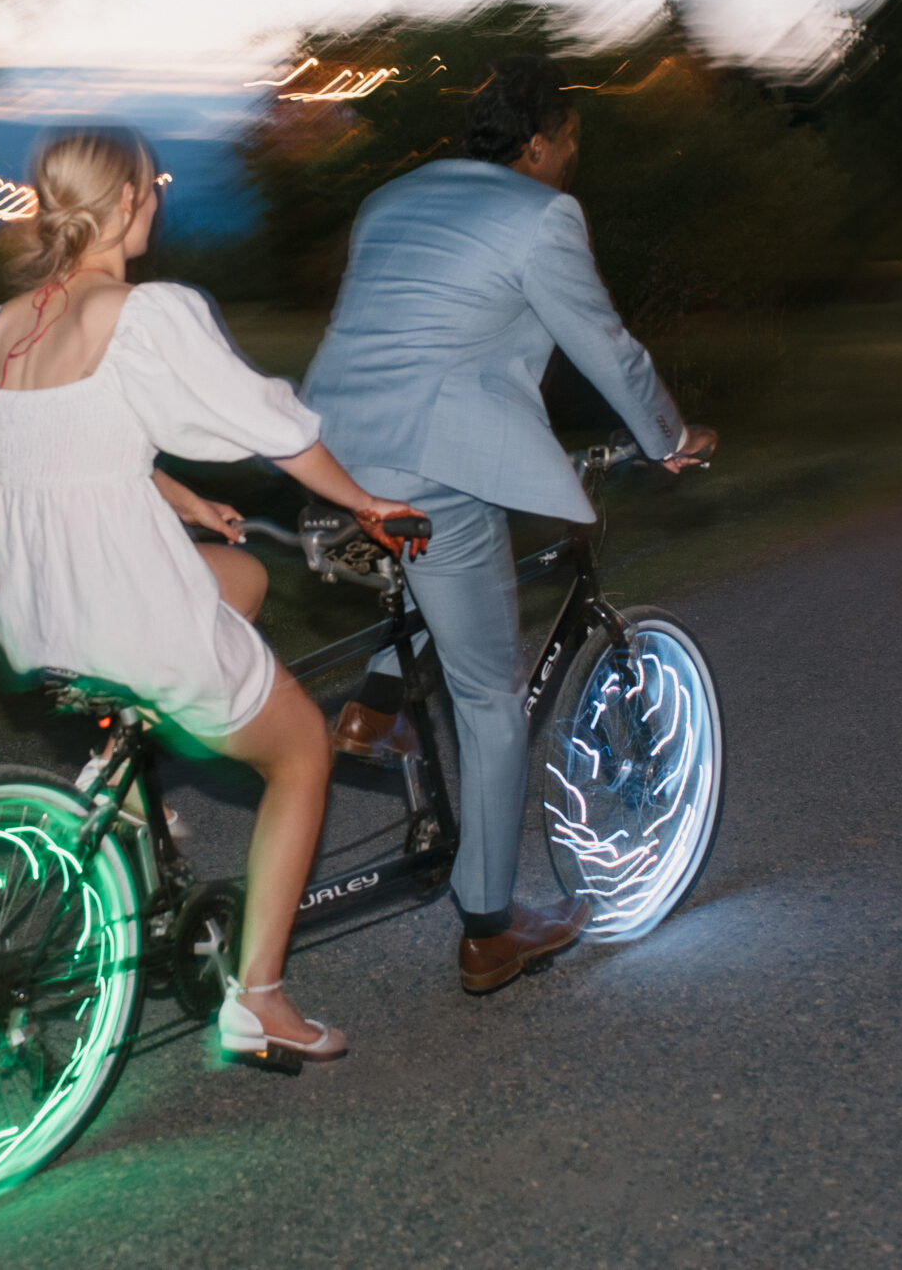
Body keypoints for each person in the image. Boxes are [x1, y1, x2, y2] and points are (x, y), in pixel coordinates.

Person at [0, 128, 428, 1064]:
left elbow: (65, 448)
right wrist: (362, 500)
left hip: (38, 610)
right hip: (124, 607)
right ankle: (260, 997)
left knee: (247, 578)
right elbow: (266, 423)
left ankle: (126, 772)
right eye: (153, 186)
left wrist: (185, 499)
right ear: (132, 198)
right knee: (303, 746)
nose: (158, 200)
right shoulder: (143, 312)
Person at [302, 56, 718, 993]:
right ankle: (490, 927)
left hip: (331, 445)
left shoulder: (392, 195)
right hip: (427, 461)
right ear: (536, 145)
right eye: (571, 139)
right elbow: (603, 344)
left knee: (430, 560)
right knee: (490, 697)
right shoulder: (542, 215)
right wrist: (669, 436)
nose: (574, 157)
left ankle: (375, 706)